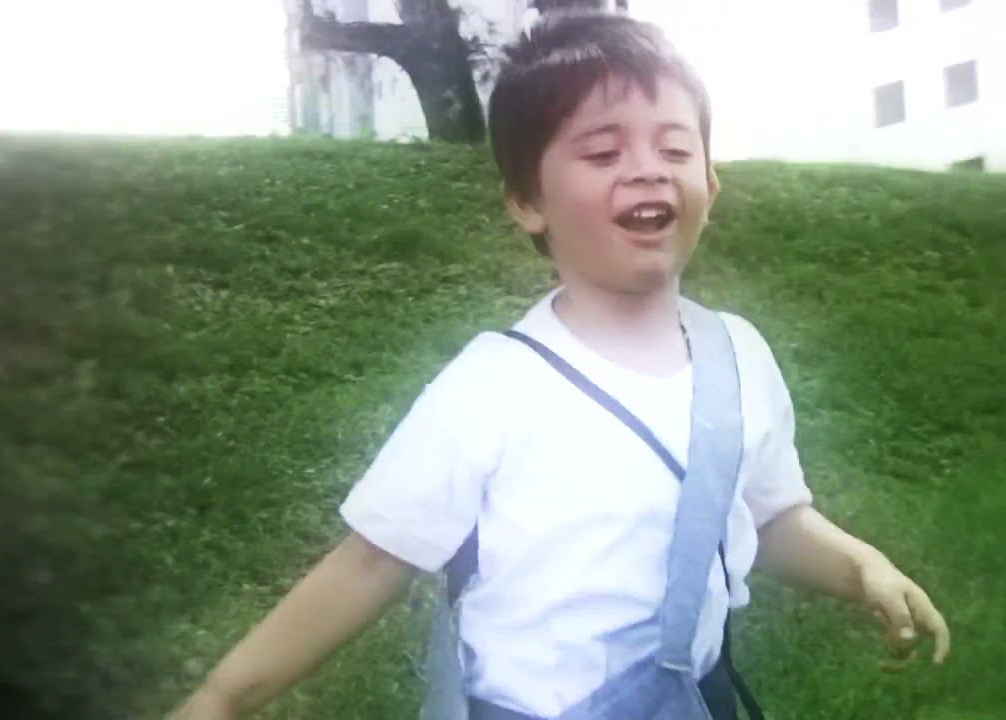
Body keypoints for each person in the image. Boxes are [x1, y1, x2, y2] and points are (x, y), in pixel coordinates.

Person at [170, 10, 950, 720]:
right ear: (527, 202)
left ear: (710, 184)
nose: (647, 169)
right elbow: (373, 561)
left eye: (675, 148)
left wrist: (860, 567)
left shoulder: (739, 354)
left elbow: (767, 516)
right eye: (604, 151)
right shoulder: (493, 386)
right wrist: (222, 698)